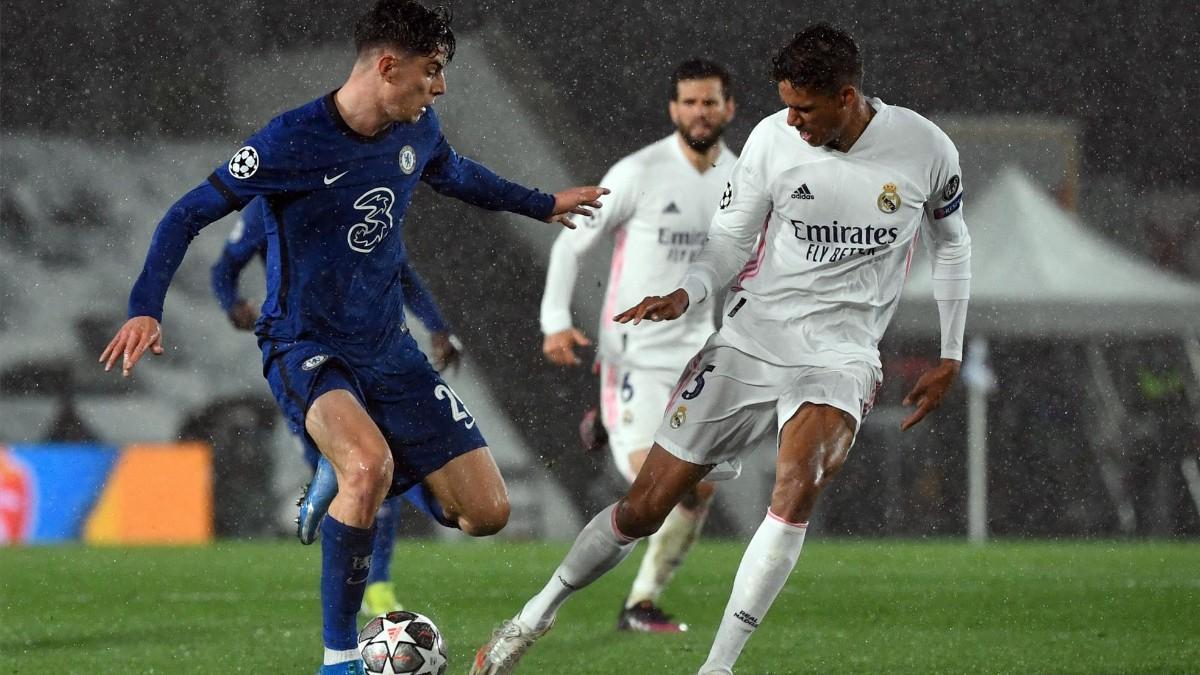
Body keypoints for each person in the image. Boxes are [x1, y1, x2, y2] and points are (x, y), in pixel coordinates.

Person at [98, 1, 608, 672]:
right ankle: (338, 654)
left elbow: (457, 174)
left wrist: (540, 203)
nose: (441, 87)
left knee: (486, 513)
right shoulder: (291, 140)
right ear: (387, 66)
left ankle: (334, 472)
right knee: (367, 467)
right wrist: (145, 306)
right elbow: (187, 212)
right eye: (433, 72)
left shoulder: (419, 127)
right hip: (303, 342)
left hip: (387, 346)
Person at [472, 23, 971, 675]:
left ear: (847, 97)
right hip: (750, 339)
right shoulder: (771, 141)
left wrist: (951, 351)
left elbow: (952, 244)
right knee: (644, 505)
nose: (791, 120)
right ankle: (532, 616)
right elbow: (731, 240)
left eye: (805, 108)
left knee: (795, 489)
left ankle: (718, 666)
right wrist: (689, 291)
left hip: (840, 355)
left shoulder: (924, 148)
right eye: (785, 104)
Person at [538, 59, 736, 633]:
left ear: (729, 108)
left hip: (702, 353)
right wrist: (555, 319)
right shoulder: (640, 171)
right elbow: (572, 240)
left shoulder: (744, 177)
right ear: (674, 109)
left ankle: (641, 602)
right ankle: (609, 417)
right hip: (635, 354)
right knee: (652, 486)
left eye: (711, 102)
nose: (701, 112)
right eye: (690, 102)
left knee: (696, 491)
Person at [210, 197, 463, 616]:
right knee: (355, 473)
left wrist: (437, 326)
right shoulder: (268, 202)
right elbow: (224, 267)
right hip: (303, 358)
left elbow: (399, 273)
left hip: (367, 348)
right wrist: (232, 304)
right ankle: (356, 579)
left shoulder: (362, 194)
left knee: (373, 470)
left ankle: (375, 585)